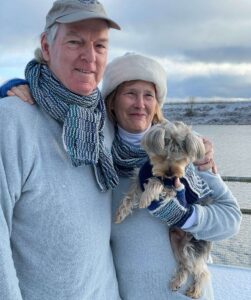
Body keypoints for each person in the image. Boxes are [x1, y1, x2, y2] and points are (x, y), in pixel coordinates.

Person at [3, 53, 242, 299]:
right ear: (112, 103)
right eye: (130, 93)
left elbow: (231, 219)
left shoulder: (184, 150)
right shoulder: (96, 158)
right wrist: (19, 90)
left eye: (148, 95)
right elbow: (59, 110)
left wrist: (185, 217)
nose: (140, 104)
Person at [0, 0, 122, 299]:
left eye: (100, 45)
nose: (89, 57)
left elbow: (149, 136)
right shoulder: (12, 120)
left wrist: (198, 153)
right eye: (75, 41)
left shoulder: (106, 119)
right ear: (46, 45)